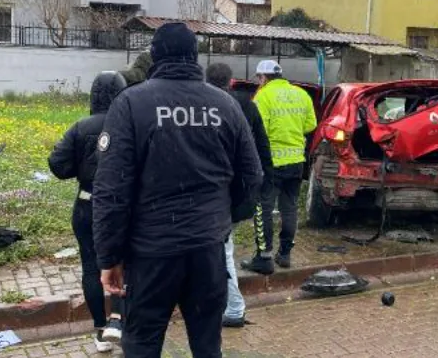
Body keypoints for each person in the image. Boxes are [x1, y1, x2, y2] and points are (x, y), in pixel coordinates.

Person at [92, 23, 263, 358]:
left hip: (152, 254)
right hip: (207, 250)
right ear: (193, 56)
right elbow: (252, 177)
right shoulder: (225, 105)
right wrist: (221, 221)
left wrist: (109, 256)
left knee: (142, 343)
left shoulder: (131, 103)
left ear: (154, 56)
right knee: (207, 344)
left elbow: (112, 188)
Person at [47, 71, 127, 353]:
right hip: (119, 205)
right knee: (122, 263)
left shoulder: (80, 127)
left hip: (86, 203)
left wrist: (81, 169)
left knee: (91, 267)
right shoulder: (127, 124)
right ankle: (119, 320)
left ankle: (100, 329)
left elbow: (57, 164)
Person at [205, 62, 273, 328]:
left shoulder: (203, 106)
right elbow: (261, 144)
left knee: (221, 252)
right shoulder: (245, 104)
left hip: (214, 192)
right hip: (237, 190)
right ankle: (222, 304)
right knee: (221, 249)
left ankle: (233, 308)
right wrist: (265, 179)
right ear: (231, 82)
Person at [242, 60, 316, 274]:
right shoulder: (301, 94)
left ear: (263, 77)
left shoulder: (263, 96)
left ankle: (264, 257)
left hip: (272, 164)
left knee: (263, 207)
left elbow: (256, 127)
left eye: (258, 78)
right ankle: (285, 254)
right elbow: (310, 125)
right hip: (296, 162)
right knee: (290, 208)